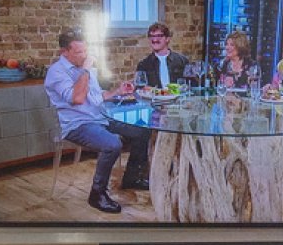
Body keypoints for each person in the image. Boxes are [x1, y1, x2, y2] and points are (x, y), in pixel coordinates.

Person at [43, 31, 150, 213]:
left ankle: (132, 177)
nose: (84, 55)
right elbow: (77, 98)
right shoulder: (57, 72)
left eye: (85, 50)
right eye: (79, 52)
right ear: (64, 52)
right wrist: (85, 70)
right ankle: (97, 194)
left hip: (100, 117)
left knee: (142, 130)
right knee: (112, 144)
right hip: (77, 124)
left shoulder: (85, 68)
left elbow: (97, 96)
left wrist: (117, 92)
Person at [134, 23, 192, 90]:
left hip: (178, 97)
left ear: (167, 39)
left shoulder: (182, 61)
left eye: (159, 36)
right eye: (151, 36)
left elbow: (192, 86)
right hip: (154, 97)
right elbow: (139, 88)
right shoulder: (143, 64)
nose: (155, 40)